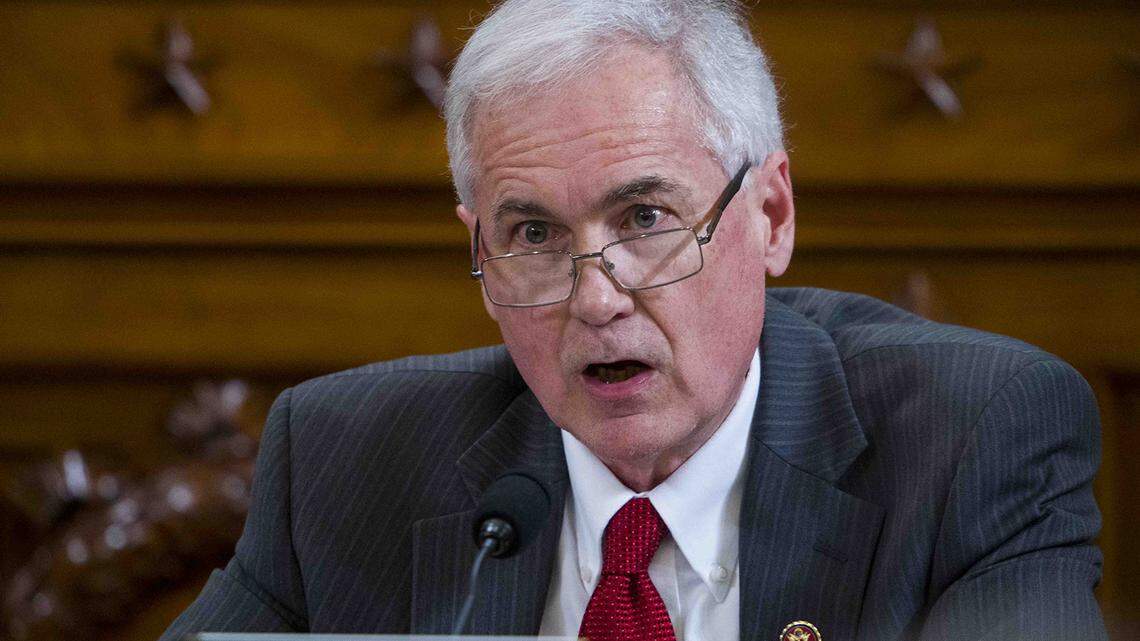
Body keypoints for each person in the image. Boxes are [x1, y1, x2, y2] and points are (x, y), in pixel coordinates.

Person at [160, 1, 1106, 640]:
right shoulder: (343, 459)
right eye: (533, 233)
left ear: (771, 216)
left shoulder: (973, 440)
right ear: (478, 250)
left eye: (646, 218)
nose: (596, 298)